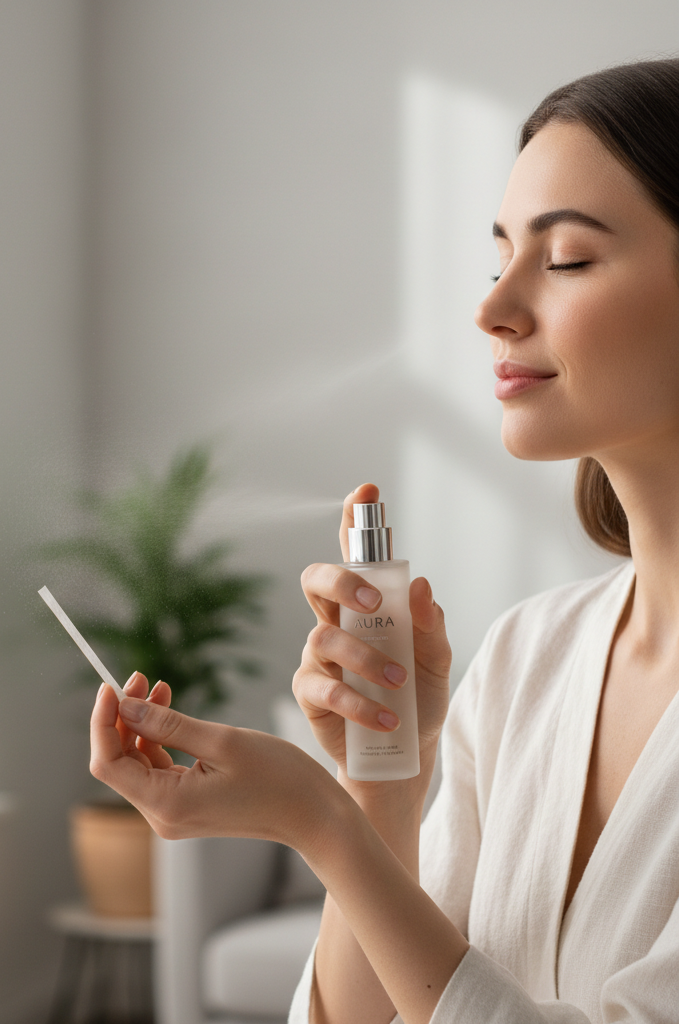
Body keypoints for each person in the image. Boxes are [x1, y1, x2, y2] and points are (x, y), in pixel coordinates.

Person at [87, 58, 679, 1024]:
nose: (493, 308)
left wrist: (318, 822)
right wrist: (381, 787)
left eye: (565, 258)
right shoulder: (530, 657)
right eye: (499, 260)